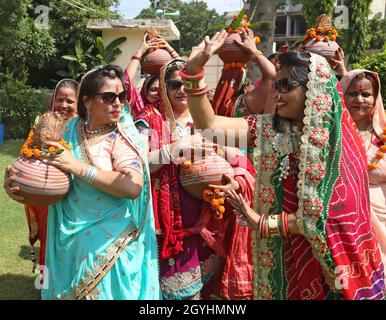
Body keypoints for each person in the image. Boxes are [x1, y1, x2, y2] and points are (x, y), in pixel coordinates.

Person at [181, 30, 385, 299]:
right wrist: (194, 72)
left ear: (313, 88)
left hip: (334, 265)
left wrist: (261, 222)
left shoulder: (338, 142)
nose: (276, 94)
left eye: (285, 86)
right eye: (275, 85)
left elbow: (331, 215)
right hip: (284, 259)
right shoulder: (271, 129)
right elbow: (210, 126)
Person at [6, 65, 160, 300]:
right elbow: (40, 172)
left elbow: (132, 187)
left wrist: (78, 168)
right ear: (87, 101)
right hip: (67, 248)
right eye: (108, 97)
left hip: (109, 251)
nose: (117, 103)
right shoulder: (68, 130)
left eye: (121, 96)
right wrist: (17, 185)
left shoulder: (121, 139)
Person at [135, 58, 254, 299]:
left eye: (185, 85)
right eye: (174, 85)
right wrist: (172, 149)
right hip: (162, 225)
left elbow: (240, 160)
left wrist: (234, 177)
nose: (181, 90)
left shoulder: (208, 123)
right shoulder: (146, 121)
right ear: (163, 87)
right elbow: (136, 164)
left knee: (201, 294)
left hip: (208, 224)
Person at [4, 79, 78, 272]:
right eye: (59, 99)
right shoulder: (44, 123)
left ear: (79, 103)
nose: (63, 105)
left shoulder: (84, 127)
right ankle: (46, 287)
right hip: (48, 198)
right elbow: (28, 153)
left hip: (78, 201)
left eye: (69, 101)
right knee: (48, 243)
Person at [341, 69, 386, 281]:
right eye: (352, 94)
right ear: (341, 94)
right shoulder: (331, 134)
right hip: (345, 222)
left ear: (375, 97)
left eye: (366, 94)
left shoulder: (383, 134)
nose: (359, 100)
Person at [124, 32, 178, 117]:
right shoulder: (139, 107)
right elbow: (125, 83)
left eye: (162, 89)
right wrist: (139, 52)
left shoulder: (174, 108)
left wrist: (170, 50)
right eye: (154, 89)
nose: (158, 93)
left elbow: (186, 77)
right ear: (146, 92)